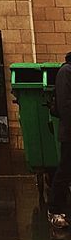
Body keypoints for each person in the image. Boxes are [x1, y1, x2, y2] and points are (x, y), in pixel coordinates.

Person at [49, 51, 71, 228]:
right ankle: (56, 211)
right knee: (64, 171)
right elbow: (65, 106)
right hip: (70, 132)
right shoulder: (66, 72)